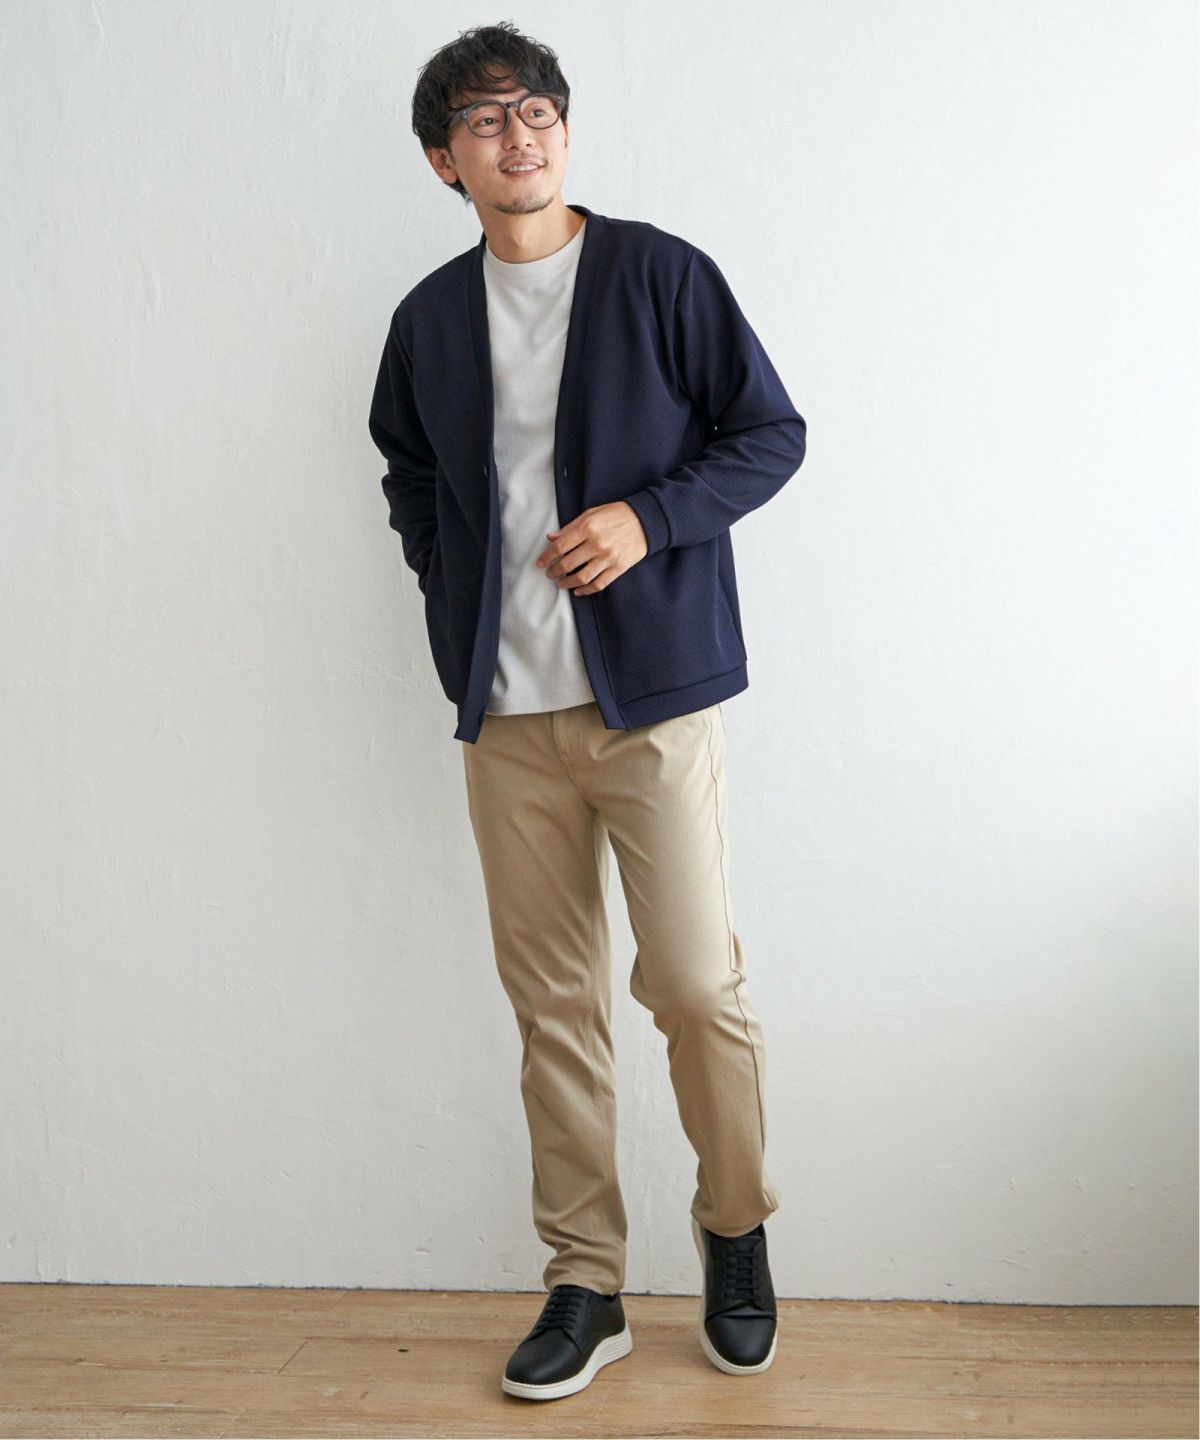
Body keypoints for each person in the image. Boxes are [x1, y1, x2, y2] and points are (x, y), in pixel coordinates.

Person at [368, 21, 806, 1403]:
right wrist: (448, 581)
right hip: (506, 721)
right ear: (444, 160)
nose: (520, 136)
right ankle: (586, 1279)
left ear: (564, 129)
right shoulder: (429, 320)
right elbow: (408, 471)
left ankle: (734, 1232)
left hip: (650, 707)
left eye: (537, 111)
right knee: (552, 1006)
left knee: (694, 984)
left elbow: (770, 434)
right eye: (485, 120)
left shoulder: (660, 275)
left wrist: (647, 519)